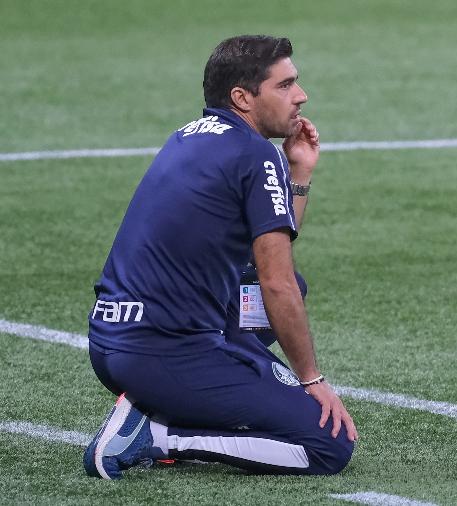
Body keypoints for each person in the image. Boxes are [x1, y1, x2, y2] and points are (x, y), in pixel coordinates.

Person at [83, 35, 357, 479]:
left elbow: (272, 257)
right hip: (164, 352)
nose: (301, 96)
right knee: (329, 445)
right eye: (285, 85)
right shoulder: (254, 156)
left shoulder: (189, 136)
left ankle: (152, 402)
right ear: (242, 98)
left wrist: (299, 174)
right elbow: (276, 282)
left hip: (114, 342)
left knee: (279, 288)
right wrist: (311, 379)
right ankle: (157, 434)